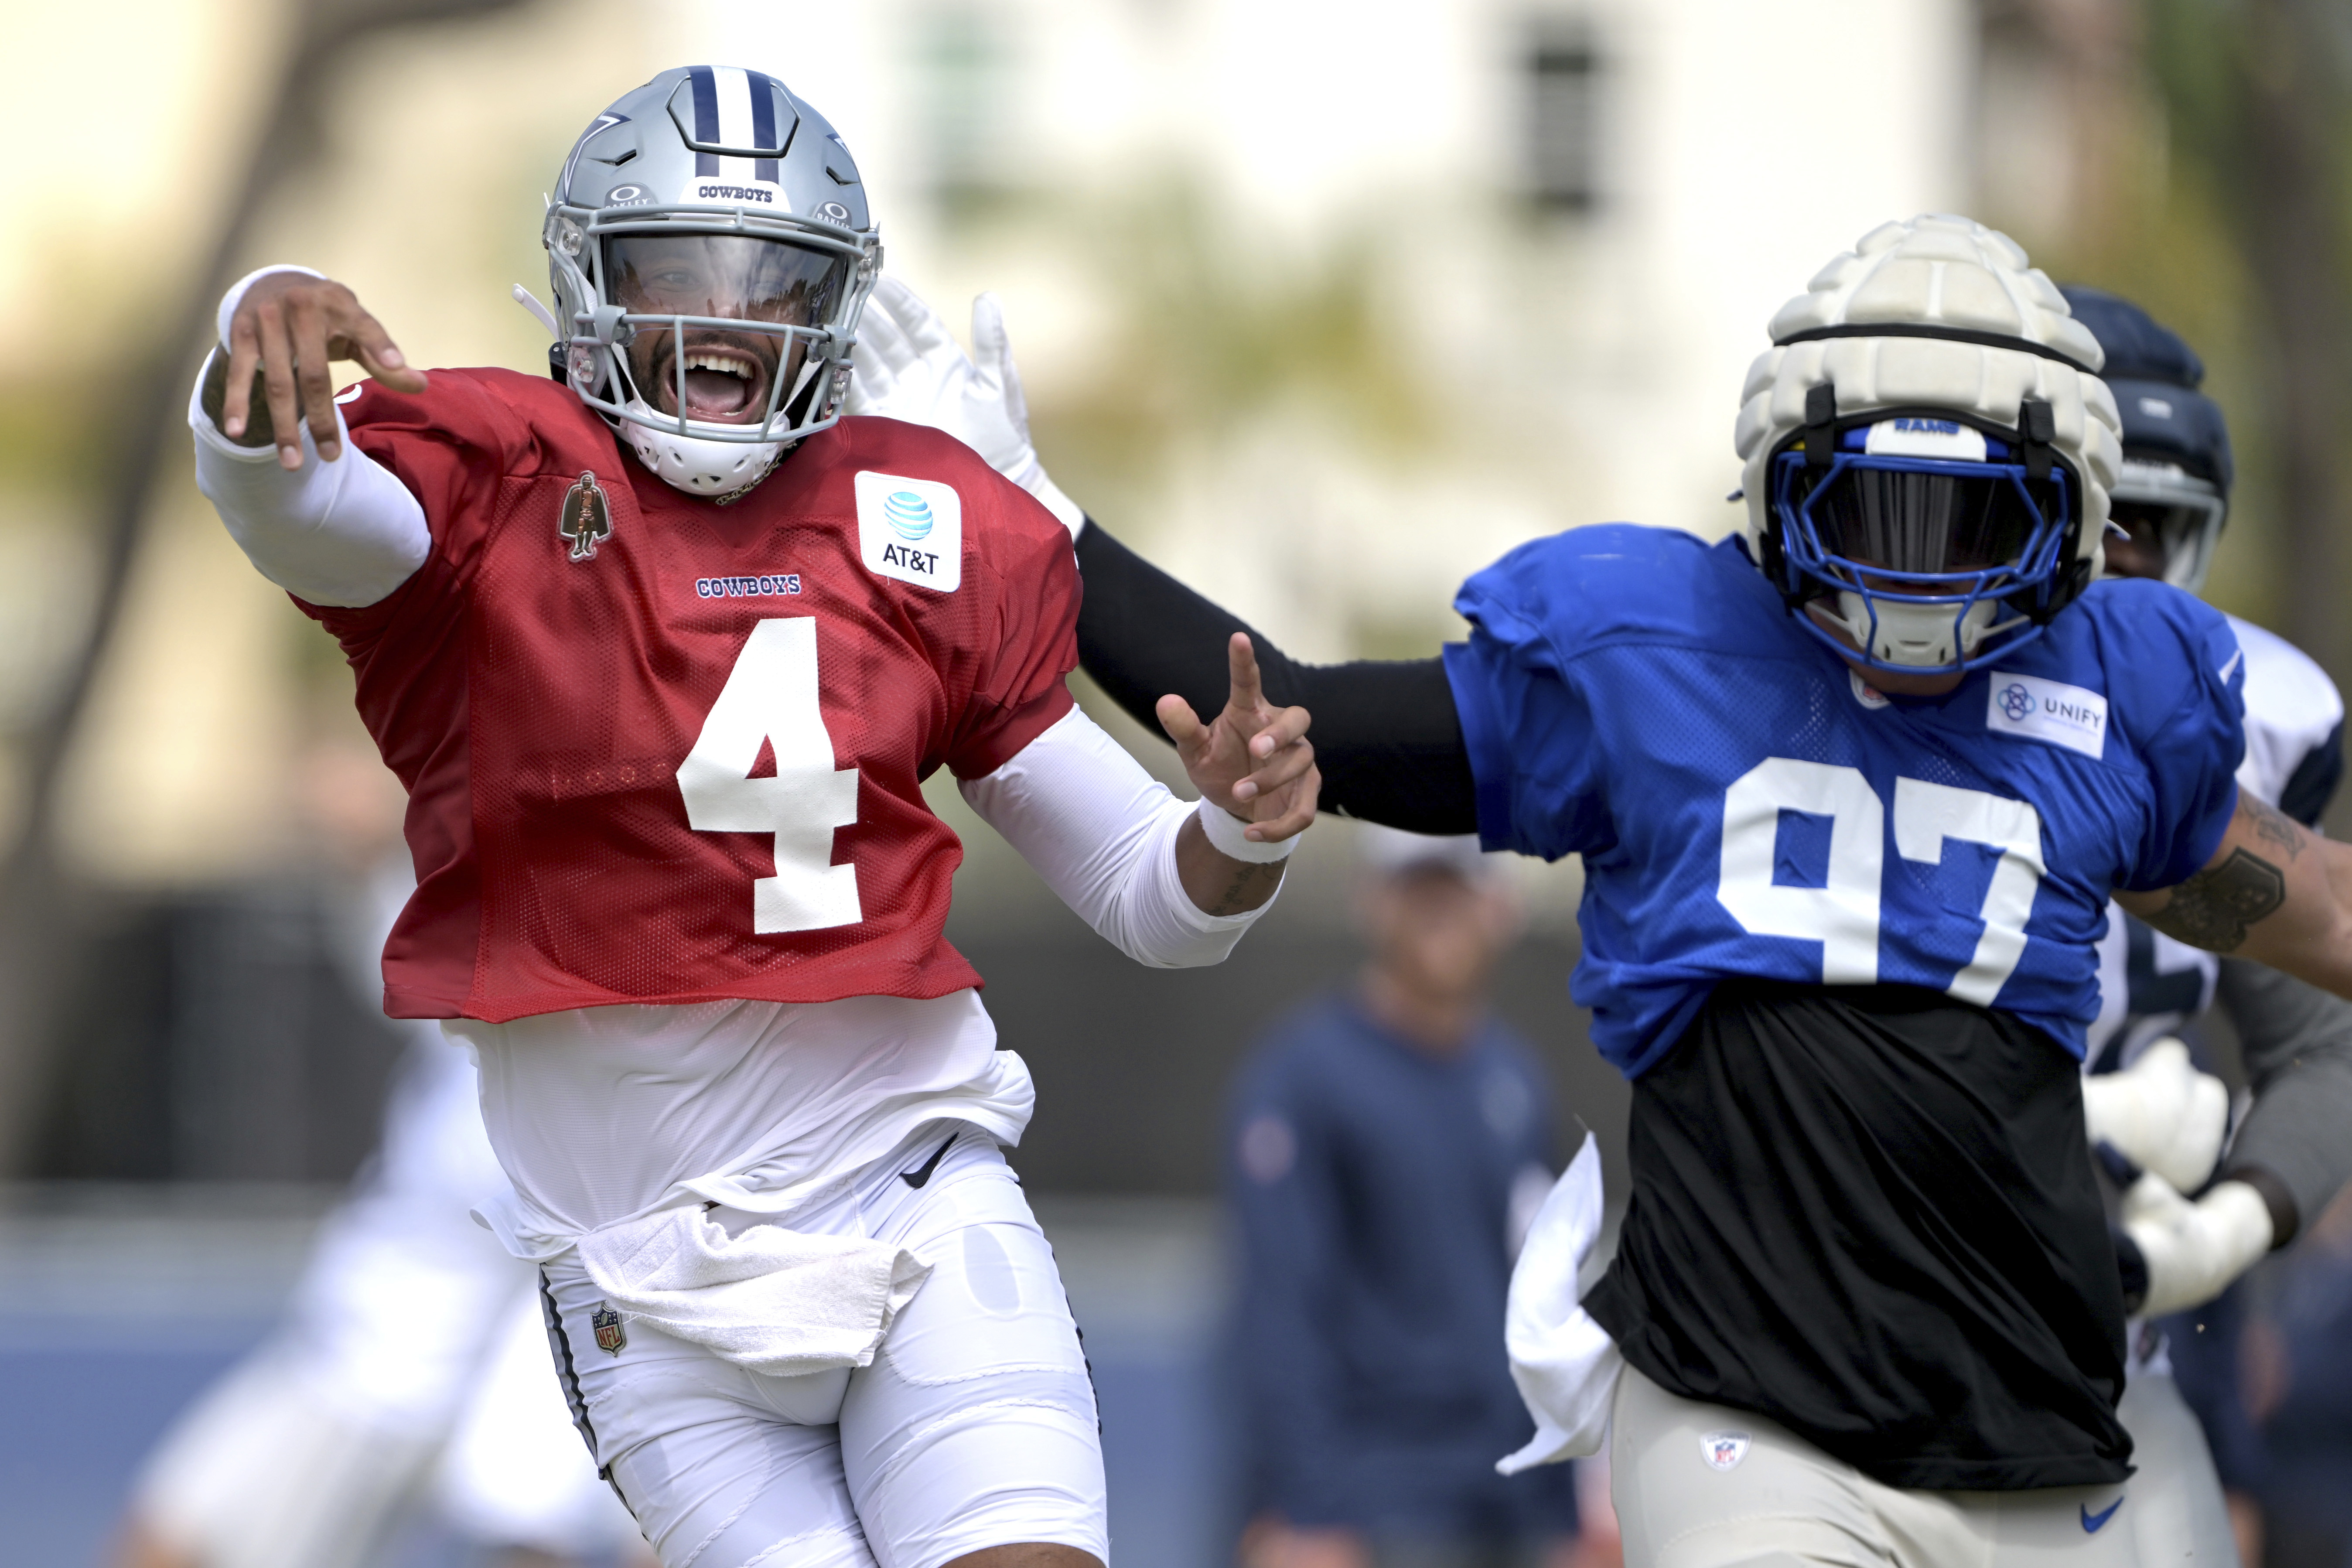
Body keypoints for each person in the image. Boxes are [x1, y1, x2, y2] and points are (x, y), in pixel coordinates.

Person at [844, 213, 2352, 1566]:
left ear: (2064, 511)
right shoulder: (1647, 661)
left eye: (1965, 519)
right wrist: (1039, 518)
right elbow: (1295, 705)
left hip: (2039, 1426)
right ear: (1780, 475)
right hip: (1750, 1425)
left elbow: (2319, 918)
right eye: (1871, 503)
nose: (1913, 569)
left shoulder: (2112, 711)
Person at [187, 64, 1322, 1568]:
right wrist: (248, 346)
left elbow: (1152, 895)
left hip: (912, 1198)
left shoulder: (919, 516)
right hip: (638, 1282)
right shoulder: (493, 484)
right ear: (589, 281)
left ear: (832, 305)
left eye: (770, 282)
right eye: (675, 271)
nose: (721, 320)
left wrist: (1239, 829)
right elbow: (292, 498)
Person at [109, 745, 649, 1568]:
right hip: (358, 1339)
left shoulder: (590, 1084)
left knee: (533, 1534)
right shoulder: (479, 969)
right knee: (166, 1537)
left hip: (405, 1366)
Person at [2053, 283, 2352, 1568]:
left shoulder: (2246, 729)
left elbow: (2322, 1026)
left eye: (2150, 534)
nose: (2117, 574)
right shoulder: (1876, 692)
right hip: (1839, 1363)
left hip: (2110, 1361)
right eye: (2090, 529)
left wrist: (2230, 1224)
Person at [1226, 828, 1579, 1568]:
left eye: (1457, 892)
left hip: (1506, 1496)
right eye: (1418, 892)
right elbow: (1280, 1306)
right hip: (1376, 1500)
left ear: (1498, 908)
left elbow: (1543, 1296)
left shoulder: (1513, 1080)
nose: (1439, 912)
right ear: (1373, 903)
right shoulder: (1303, 1077)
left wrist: (1565, 1504)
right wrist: (1304, 1510)